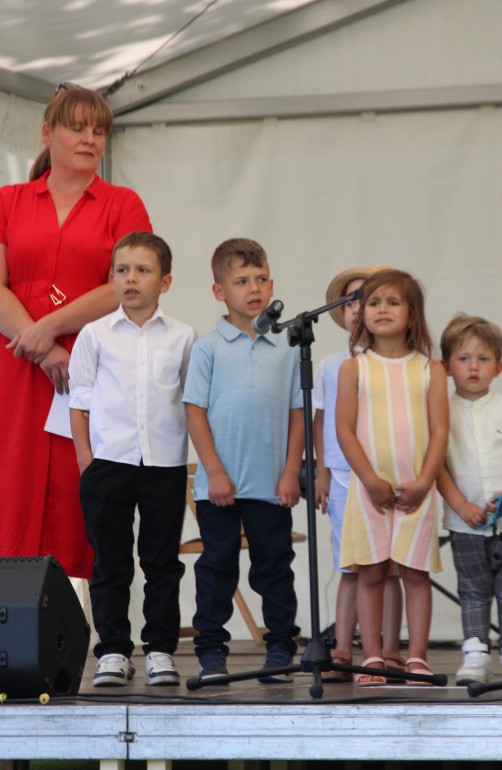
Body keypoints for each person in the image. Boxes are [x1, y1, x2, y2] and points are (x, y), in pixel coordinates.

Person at [0, 84, 151, 579]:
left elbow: (127, 286)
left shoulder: (123, 204)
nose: (90, 138)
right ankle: (2, 608)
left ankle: (84, 615)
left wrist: (48, 327)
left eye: (99, 131)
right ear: (48, 133)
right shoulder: (7, 200)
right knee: (10, 482)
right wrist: (42, 346)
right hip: (19, 360)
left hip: (90, 362)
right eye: (78, 128)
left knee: (81, 486)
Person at [68, 231, 197, 687]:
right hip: (108, 463)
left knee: (162, 561)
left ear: (165, 281)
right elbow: (79, 402)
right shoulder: (95, 334)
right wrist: (87, 461)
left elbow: (192, 400)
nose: (131, 279)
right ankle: (113, 651)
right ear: (112, 277)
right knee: (111, 562)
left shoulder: (183, 337)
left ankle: (160, 649)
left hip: (164, 463)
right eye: (122, 270)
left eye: (143, 270)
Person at [184, 238, 303, 682]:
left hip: (270, 484)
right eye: (241, 281)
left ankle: (280, 648)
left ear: (272, 284)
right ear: (219, 291)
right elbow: (194, 412)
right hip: (220, 487)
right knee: (217, 568)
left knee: (274, 566)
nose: (254, 288)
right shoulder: (208, 347)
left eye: (261, 278)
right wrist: (214, 471)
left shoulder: (287, 347)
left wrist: (290, 471)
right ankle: (211, 651)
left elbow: (297, 414)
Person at [336, 269, 448, 686]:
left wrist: (424, 482)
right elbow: (344, 430)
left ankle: (416, 657)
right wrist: (369, 479)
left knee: (415, 574)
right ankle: (373, 658)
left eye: (393, 302)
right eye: (373, 302)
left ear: (413, 314)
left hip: (416, 490)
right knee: (371, 572)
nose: (382, 309)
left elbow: (440, 432)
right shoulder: (354, 368)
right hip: (369, 490)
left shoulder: (431, 369)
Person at [436, 314, 502, 685]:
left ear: (499, 367)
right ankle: (476, 654)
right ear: (445, 366)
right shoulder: (441, 412)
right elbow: (437, 466)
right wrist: (460, 506)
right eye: (463, 358)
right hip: (465, 522)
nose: (473, 367)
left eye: (483, 359)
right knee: (472, 590)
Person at [312, 266, 406, 681]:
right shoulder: (331, 364)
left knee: (389, 567)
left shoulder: (396, 362)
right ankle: (342, 649)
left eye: (365, 299)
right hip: (342, 475)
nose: (357, 308)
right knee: (350, 566)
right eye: (351, 300)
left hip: (387, 475)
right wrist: (320, 470)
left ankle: (390, 649)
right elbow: (321, 419)